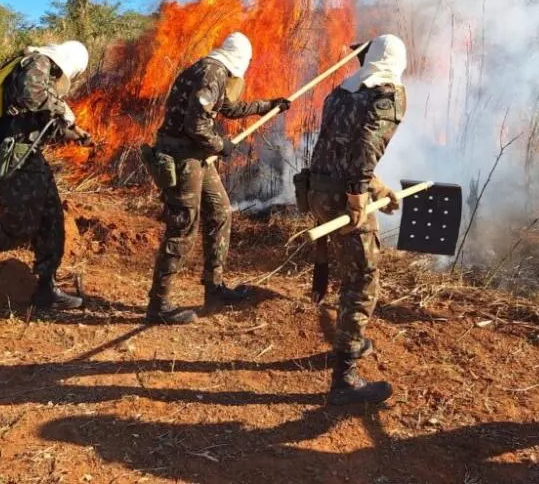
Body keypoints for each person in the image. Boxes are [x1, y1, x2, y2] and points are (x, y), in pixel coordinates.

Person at [145, 31, 291, 325]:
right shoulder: (211, 72)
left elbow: (229, 108)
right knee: (183, 225)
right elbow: (195, 124)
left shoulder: (213, 71)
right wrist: (221, 145)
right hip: (183, 158)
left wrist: (268, 105)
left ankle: (215, 287)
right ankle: (159, 304)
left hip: (197, 156)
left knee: (221, 211)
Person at [0, 41, 93, 310]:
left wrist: (75, 133)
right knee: (19, 224)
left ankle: (47, 288)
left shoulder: (44, 73)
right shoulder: (40, 62)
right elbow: (30, 95)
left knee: (51, 219)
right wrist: (62, 110)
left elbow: (42, 120)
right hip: (13, 152)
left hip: (28, 153)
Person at [306, 34, 406, 405]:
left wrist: (376, 187)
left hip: (318, 190)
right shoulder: (388, 94)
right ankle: (345, 377)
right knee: (362, 278)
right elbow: (366, 147)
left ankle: (353, 339)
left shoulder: (342, 91)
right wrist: (358, 193)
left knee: (351, 269)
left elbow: (339, 146)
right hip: (343, 197)